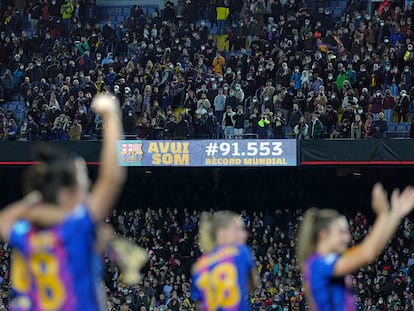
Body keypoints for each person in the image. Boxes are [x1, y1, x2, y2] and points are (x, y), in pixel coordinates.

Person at [0, 93, 144, 310]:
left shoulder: (26, 234)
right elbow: (112, 178)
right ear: (65, 194)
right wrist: (111, 116)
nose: (88, 189)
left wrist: (36, 203)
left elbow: (5, 219)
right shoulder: (75, 227)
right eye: (84, 182)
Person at [297, 183, 414, 311]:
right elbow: (367, 252)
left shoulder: (332, 259)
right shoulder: (318, 264)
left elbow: (373, 249)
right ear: (324, 235)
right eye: (341, 232)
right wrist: (384, 214)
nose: (347, 238)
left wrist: (394, 215)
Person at [191, 211, 260, 311]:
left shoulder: (199, 266)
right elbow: (253, 285)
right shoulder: (240, 252)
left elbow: (199, 304)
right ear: (222, 233)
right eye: (238, 229)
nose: (245, 234)